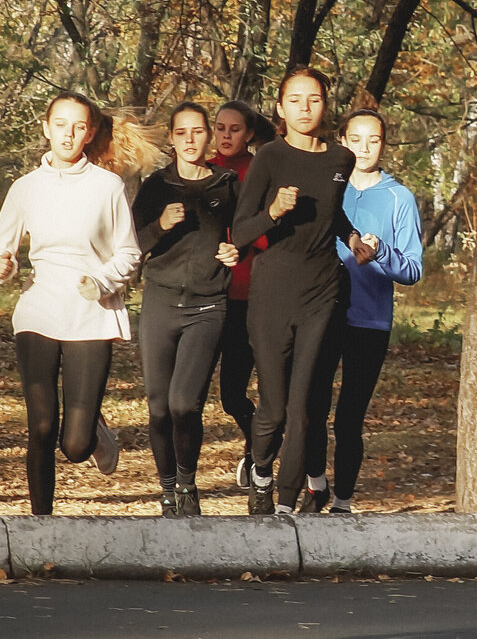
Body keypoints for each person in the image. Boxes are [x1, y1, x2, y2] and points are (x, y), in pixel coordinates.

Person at [0, 91, 141, 515]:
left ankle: (92, 430)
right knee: (40, 425)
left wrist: (102, 280)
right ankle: (41, 525)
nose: (68, 135)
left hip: (90, 313)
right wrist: (1, 266)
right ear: (46, 129)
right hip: (39, 310)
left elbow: (128, 254)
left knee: (73, 445)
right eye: (60, 125)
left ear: (89, 133)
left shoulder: (107, 187)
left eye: (78, 127)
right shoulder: (25, 189)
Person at [232, 66, 376, 515]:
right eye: (294, 100)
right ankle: (260, 473)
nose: (304, 108)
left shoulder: (340, 160)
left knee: (303, 408)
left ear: (325, 104)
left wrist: (352, 239)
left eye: (313, 99)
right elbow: (239, 232)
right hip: (272, 292)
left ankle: (289, 504)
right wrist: (274, 210)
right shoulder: (269, 158)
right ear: (280, 108)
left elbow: (332, 215)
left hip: (323, 291)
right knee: (273, 410)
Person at [302, 105, 423, 514]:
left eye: (373, 140)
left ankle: (343, 503)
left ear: (384, 145)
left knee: (349, 417)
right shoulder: (325, 186)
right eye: (356, 140)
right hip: (319, 312)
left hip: (369, 320)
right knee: (311, 407)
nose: (365, 148)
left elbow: (413, 268)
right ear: (343, 142)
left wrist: (381, 252)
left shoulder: (398, 198)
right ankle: (316, 484)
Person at [131, 102, 241, 516]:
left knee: (184, 404)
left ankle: (188, 485)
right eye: (182, 133)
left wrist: (237, 250)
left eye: (198, 132)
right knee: (159, 407)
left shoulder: (227, 184)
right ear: (172, 139)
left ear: (208, 137)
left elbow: (246, 231)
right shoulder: (156, 186)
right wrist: (160, 225)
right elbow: (134, 245)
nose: (191, 140)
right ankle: (166, 490)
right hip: (160, 301)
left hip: (208, 305)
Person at [208, 100, 276, 488]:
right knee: (205, 396)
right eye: (220, 128)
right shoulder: (203, 171)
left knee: (235, 393)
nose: (226, 135)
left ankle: (258, 452)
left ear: (249, 133)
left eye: (235, 129)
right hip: (205, 296)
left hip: (248, 297)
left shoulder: (258, 172)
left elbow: (267, 234)